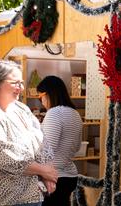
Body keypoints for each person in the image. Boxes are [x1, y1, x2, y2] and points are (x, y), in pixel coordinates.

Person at [0, 60, 58, 206]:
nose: (21, 88)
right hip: (5, 199)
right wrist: (43, 171)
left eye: (21, 82)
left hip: (33, 196)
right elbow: (2, 153)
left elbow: (42, 140)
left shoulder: (21, 109)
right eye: (15, 83)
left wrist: (47, 171)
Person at [36, 76, 83, 206]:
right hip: (69, 176)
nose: (42, 102)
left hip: (54, 177)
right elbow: (77, 146)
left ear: (49, 94)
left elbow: (47, 148)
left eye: (40, 97)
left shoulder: (54, 113)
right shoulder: (75, 113)